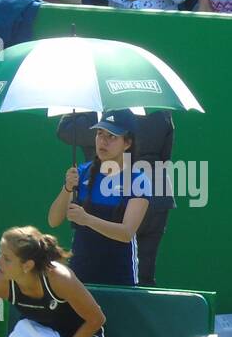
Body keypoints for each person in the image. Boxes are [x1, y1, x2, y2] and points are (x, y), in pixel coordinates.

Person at [57, 109, 176, 285]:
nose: (104, 140)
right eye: (100, 134)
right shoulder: (161, 113)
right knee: (145, 276)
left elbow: (64, 131)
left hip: (134, 197)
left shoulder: (94, 112)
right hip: (158, 197)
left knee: (130, 272)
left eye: (112, 135)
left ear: (127, 142)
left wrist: (82, 110)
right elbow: (166, 156)